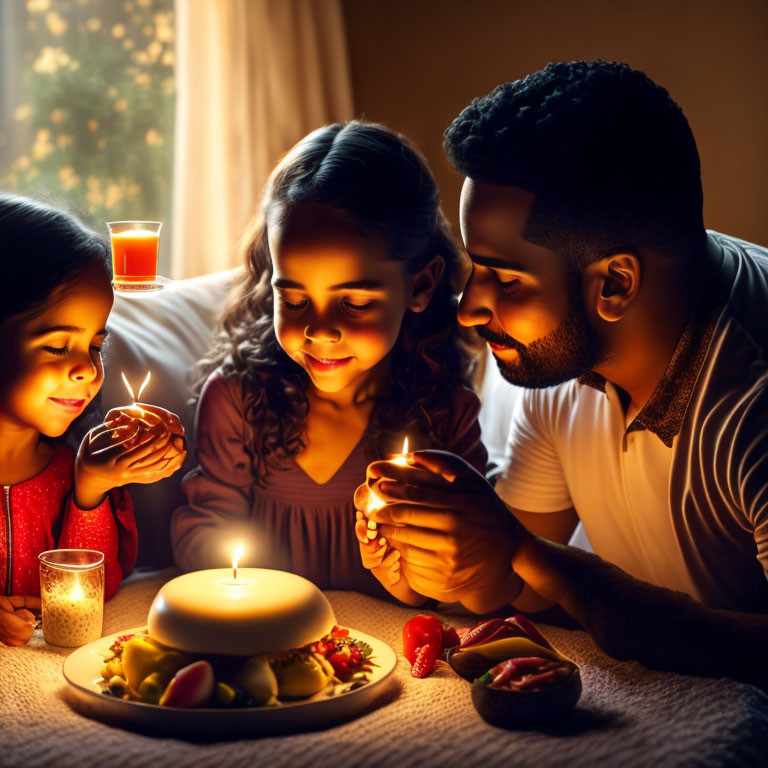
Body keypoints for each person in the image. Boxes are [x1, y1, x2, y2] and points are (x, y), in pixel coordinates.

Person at [356, 61, 768, 688]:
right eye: (475, 267)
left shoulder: (751, 400)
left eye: (506, 277)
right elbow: (524, 583)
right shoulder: (564, 357)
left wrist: (519, 548)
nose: (468, 306)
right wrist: (450, 565)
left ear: (616, 284)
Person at [171, 121, 486, 606]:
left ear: (420, 286)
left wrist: (413, 579)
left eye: (354, 304)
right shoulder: (238, 400)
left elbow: (468, 569)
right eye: (294, 300)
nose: (319, 331)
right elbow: (201, 532)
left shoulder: (444, 411)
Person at [0, 194, 187, 647]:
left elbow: (93, 591)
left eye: (96, 346)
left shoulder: (66, 473)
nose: (88, 369)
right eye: (58, 345)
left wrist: (91, 488)